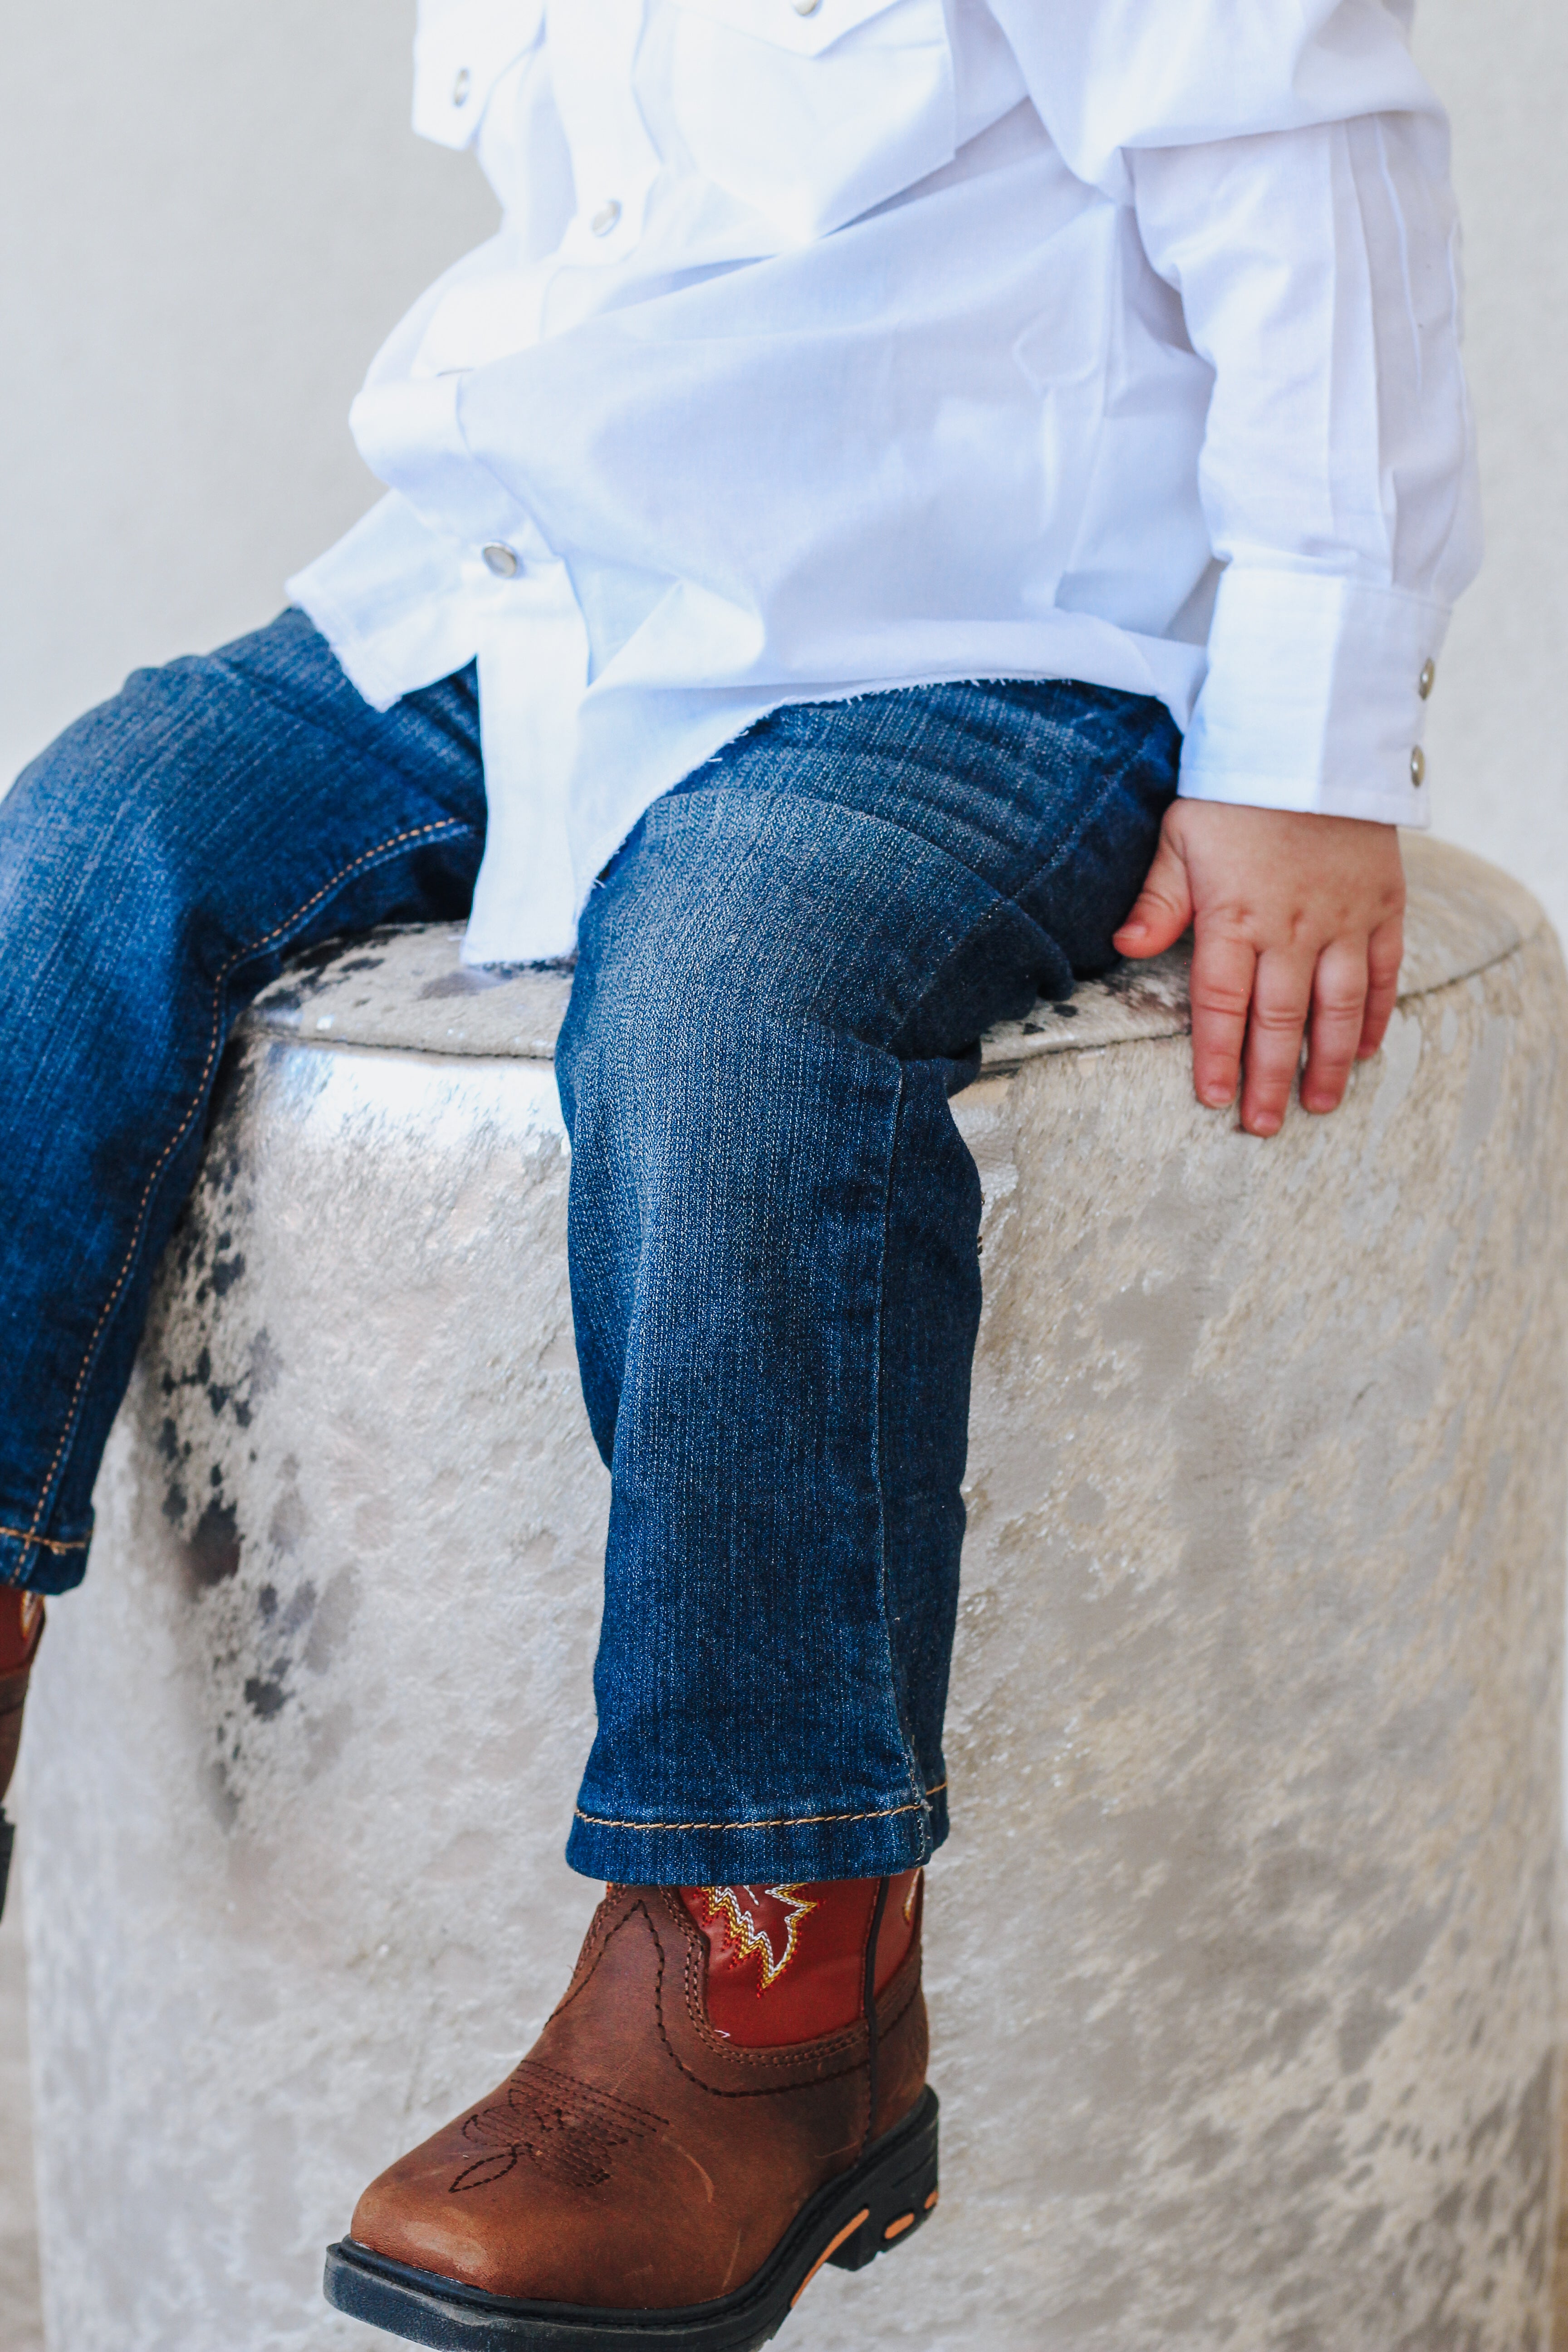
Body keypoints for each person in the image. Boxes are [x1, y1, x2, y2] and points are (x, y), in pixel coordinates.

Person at [0, 0, 1475, 2342]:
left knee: (726, 987)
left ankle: (767, 1975)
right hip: (540, 606)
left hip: (982, 645)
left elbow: (1311, 178)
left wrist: (1312, 735)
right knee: (86, 843)